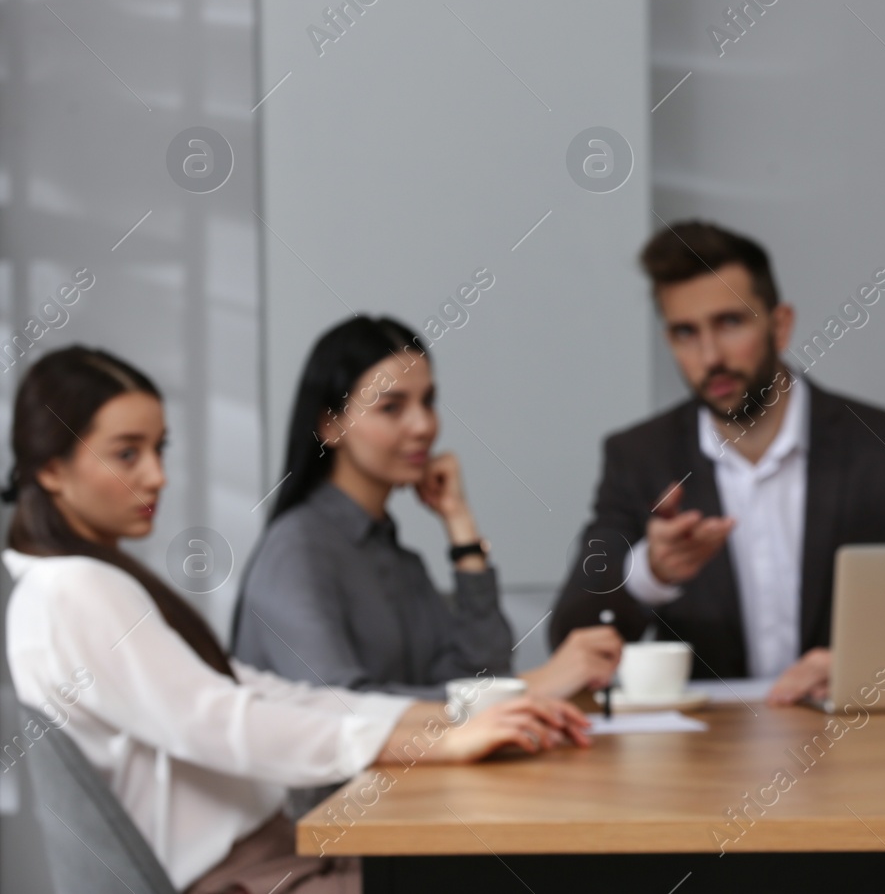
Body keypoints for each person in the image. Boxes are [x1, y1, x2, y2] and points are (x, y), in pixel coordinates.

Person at [2, 346, 593, 894]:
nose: (157, 475)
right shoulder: (75, 590)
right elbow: (221, 721)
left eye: (160, 449)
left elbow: (257, 691)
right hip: (250, 875)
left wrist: (442, 725)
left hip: (282, 851)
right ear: (52, 470)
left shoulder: (82, 581)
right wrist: (428, 741)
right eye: (128, 453)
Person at [548, 221, 885, 705]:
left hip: (857, 739)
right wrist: (651, 572)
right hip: (705, 752)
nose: (710, 357)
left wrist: (866, 665)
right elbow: (571, 635)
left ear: (780, 324)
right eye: (685, 333)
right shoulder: (640, 457)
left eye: (730, 323)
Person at [232, 315, 620, 702]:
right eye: (392, 407)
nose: (423, 426)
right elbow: (342, 711)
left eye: (428, 402)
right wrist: (531, 687)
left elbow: (482, 670)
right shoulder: (297, 550)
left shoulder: (397, 558)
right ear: (331, 425)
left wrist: (460, 526)